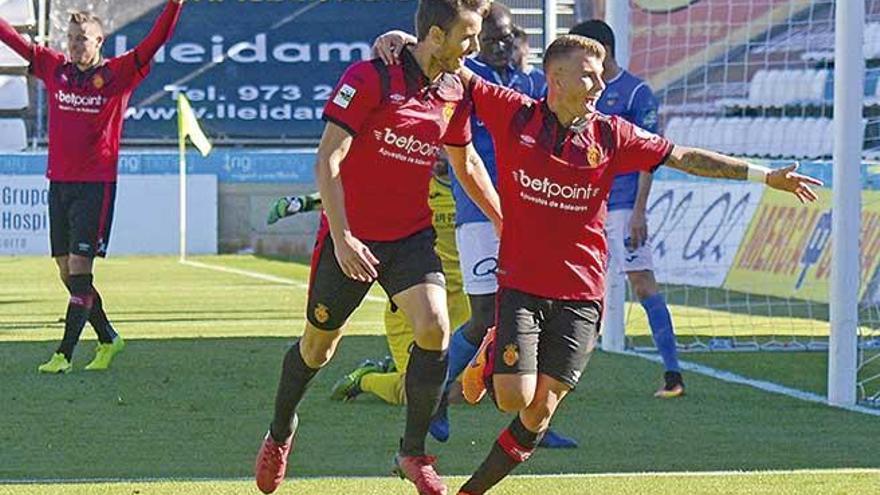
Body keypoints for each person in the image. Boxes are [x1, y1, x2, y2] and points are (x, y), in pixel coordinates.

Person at [450, 35, 820, 494]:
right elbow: (448, 64)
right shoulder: (515, 113)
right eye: (587, 74)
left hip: (581, 295)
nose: (599, 84)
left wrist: (765, 175)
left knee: (538, 412)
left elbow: (683, 155)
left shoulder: (612, 134)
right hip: (521, 286)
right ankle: (492, 352)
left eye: (601, 74)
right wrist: (399, 42)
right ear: (555, 78)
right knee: (512, 398)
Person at [252, 1, 499, 494]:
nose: (474, 48)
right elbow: (328, 159)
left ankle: (412, 453)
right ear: (434, 34)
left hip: (409, 237)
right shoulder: (371, 77)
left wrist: (504, 221)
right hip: (351, 238)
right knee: (318, 348)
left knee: (434, 328)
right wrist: (342, 236)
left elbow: (466, 162)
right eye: (467, 37)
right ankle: (281, 431)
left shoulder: (454, 88)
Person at [371, 3, 576, 450]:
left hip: (533, 216)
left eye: (508, 38)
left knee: (542, 316)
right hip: (480, 215)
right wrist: (395, 38)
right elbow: (419, 46)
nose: (501, 46)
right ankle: (439, 393)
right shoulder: (461, 75)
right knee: (485, 317)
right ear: (476, 39)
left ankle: (538, 420)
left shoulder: (528, 83)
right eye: (492, 38)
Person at [0, 0, 186, 374]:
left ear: (101, 41)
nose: (75, 44)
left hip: (95, 186)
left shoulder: (119, 73)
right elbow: (14, 41)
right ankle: (108, 338)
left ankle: (64, 354)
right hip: (59, 184)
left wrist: (176, 4)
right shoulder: (55, 69)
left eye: (83, 38)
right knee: (67, 272)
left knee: (81, 268)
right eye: (71, 38)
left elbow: (156, 39)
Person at [267, 157, 472, 407]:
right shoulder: (415, 185)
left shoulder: (471, 187)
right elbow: (356, 194)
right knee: (431, 394)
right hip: (414, 304)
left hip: (464, 305)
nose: (439, 152)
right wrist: (302, 202)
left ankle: (396, 367)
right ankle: (365, 379)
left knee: (467, 391)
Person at [569, 19, 683, 397]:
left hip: (621, 206)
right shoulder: (581, 90)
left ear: (602, 52)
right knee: (579, 288)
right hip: (585, 204)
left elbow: (652, 156)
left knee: (641, 281)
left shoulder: (636, 93)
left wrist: (639, 211)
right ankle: (565, 373)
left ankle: (673, 374)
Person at [511, 24, 547, 96]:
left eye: (515, 48)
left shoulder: (540, 79)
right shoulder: (502, 78)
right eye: (508, 48)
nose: (511, 53)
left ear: (526, 48)